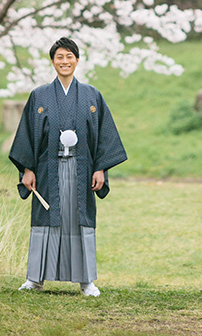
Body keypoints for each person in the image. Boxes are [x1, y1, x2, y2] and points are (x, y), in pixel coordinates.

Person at [9, 36, 127, 297]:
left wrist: (100, 169)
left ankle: (86, 281)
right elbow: (27, 135)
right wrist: (27, 169)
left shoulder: (91, 95)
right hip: (47, 170)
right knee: (45, 221)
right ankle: (35, 278)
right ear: (52, 62)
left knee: (79, 220)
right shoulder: (39, 95)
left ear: (77, 60)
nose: (65, 61)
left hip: (81, 170)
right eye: (59, 57)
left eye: (69, 56)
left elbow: (104, 136)